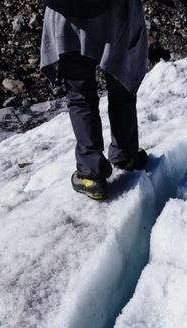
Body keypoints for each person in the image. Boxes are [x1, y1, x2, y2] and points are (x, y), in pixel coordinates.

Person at [40, 0, 149, 200]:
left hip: (67, 20)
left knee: (81, 97)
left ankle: (91, 174)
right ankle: (126, 155)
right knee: (120, 86)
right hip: (115, 16)